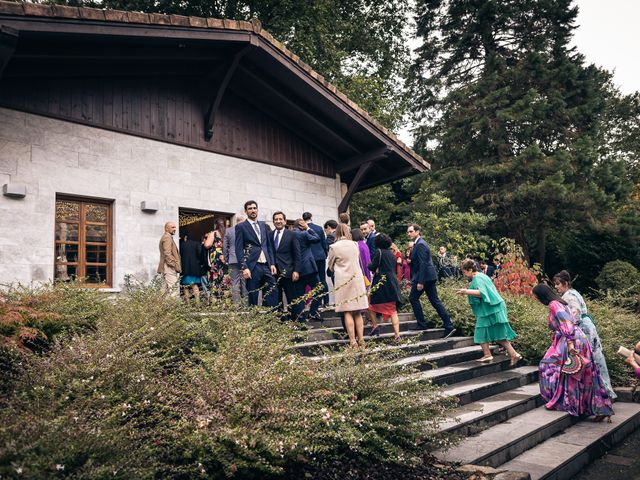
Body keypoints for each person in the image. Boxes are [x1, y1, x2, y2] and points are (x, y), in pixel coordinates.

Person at [532, 284, 614, 421]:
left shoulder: (554, 304)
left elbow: (567, 323)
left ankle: (568, 402)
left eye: (535, 295)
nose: (534, 297)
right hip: (576, 338)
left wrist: (570, 344)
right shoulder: (559, 302)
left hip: (571, 340)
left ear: (541, 295)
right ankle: (599, 408)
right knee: (582, 373)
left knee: (549, 366)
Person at [552, 270, 616, 400]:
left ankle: (604, 395)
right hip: (587, 327)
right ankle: (605, 393)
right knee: (596, 359)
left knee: (591, 361)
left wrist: (568, 329)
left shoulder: (569, 296)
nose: (556, 287)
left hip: (583, 329)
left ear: (565, 283)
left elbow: (575, 313)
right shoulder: (573, 293)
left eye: (558, 284)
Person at [457, 259, 521, 364]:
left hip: (491, 309)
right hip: (493, 307)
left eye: (464, 272)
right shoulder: (482, 276)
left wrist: (466, 291)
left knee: (480, 331)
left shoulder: (477, 278)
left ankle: (487, 355)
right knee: (498, 333)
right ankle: (514, 354)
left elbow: (482, 293)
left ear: (469, 270)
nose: (464, 274)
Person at [406, 224, 455, 338]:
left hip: (425, 278)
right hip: (428, 277)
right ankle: (448, 325)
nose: (409, 234)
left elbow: (423, 263)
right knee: (434, 301)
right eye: (408, 232)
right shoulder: (418, 244)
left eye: (411, 231)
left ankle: (422, 324)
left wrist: (420, 281)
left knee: (413, 298)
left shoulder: (421, 244)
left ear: (417, 232)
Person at [327, 224, 369, 349]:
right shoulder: (355, 244)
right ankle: (361, 340)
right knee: (357, 311)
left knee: (347, 311)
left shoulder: (333, 247)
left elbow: (330, 265)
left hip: (343, 281)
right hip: (356, 280)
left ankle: (352, 341)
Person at [234, 200, 278, 307]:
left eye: (254, 208)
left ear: (257, 210)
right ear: (246, 211)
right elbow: (238, 249)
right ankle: (254, 320)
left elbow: (268, 246)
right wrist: (244, 267)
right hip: (253, 266)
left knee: (272, 291)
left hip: (267, 265)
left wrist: (272, 263)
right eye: (250, 208)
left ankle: (269, 319)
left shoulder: (263, 225)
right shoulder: (241, 227)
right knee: (253, 295)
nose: (253, 210)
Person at [368, 233, 403, 342]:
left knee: (370, 304)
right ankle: (397, 335)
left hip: (381, 282)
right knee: (392, 310)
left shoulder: (379, 252)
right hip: (392, 282)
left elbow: (372, 266)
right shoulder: (392, 254)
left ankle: (375, 326)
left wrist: (368, 265)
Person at [271, 211, 301, 320]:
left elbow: (297, 254)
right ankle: (281, 323)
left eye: (280, 219)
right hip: (274, 273)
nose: (278, 221)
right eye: (276, 219)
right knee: (276, 298)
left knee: (292, 299)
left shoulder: (292, 234)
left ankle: (295, 323)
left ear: (285, 221)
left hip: (289, 272)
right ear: (273, 221)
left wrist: (296, 270)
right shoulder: (270, 235)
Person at [293, 218, 322, 321]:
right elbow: (317, 238)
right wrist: (308, 228)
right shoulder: (304, 234)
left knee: (300, 295)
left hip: (296, 270)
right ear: (301, 226)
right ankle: (312, 312)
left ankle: (301, 318)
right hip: (309, 268)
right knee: (319, 290)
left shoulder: (290, 235)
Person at [303, 212, 329, 306]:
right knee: (322, 279)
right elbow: (323, 242)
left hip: (310, 258)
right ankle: (326, 301)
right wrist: (325, 254)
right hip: (320, 256)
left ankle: (314, 302)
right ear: (311, 217)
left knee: (311, 281)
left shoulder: (302, 229)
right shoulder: (319, 228)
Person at [223, 214, 247, 304]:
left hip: (232, 259)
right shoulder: (246, 230)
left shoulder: (228, 231)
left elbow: (225, 247)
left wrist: (226, 258)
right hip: (245, 259)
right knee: (245, 282)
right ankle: (246, 304)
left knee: (234, 282)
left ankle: (236, 305)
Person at [157, 221, 181, 296]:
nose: (175, 229)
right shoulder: (167, 237)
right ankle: (174, 307)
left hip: (167, 266)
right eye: (172, 227)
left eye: (175, 227)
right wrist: (174, 265)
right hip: (169, 266)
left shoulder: (167, 237)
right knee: (173, 290)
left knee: (165, 291)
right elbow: (167, 253)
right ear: (166, 229)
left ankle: (162, 307)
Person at [180, 233, 205, 302]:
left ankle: (188, 304)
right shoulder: (196, 244)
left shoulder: (182, 245)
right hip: (195, 269)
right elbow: (200, 255)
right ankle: (198, 303)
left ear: (186, 237)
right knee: (194, 286)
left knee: (185, 287)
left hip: (185, 269)